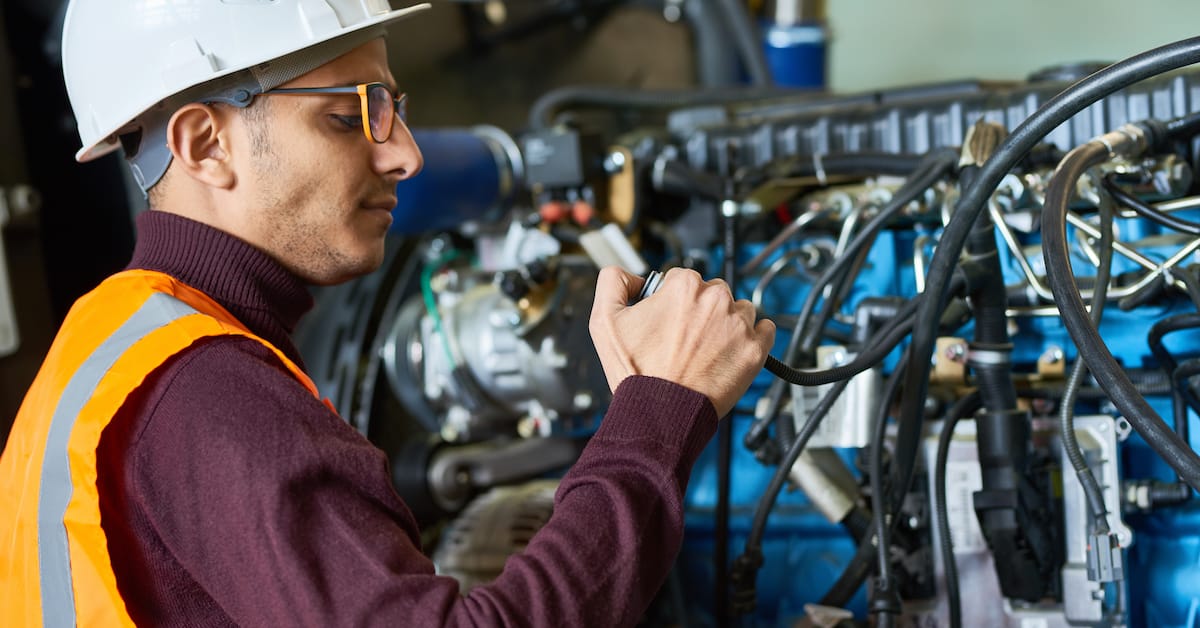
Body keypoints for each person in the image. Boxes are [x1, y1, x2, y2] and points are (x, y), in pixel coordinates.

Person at [0, 0, 775, 625]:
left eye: (392, 108)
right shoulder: (204, 395)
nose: (405, 153)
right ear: (205, 145)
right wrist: (658, 417)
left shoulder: (112, 341)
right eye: (350, 116)